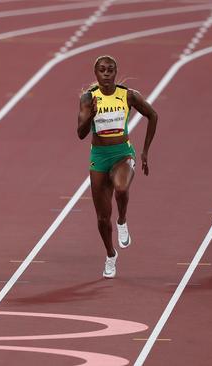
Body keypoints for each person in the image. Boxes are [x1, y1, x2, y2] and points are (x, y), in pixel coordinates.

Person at [77, 55, 158, 278]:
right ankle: (110, 255)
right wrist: (90, 115)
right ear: (96, 74)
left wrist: (144, 151)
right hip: (99, 156)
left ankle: (122, 220)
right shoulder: (88, 98)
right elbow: (80, 134)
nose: (106, 73)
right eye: (102, 70)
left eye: (110, 70)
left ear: (115, 72)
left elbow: (153, 115)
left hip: (122, 153)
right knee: (103, 218)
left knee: (121, 188)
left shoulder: (128, 95)